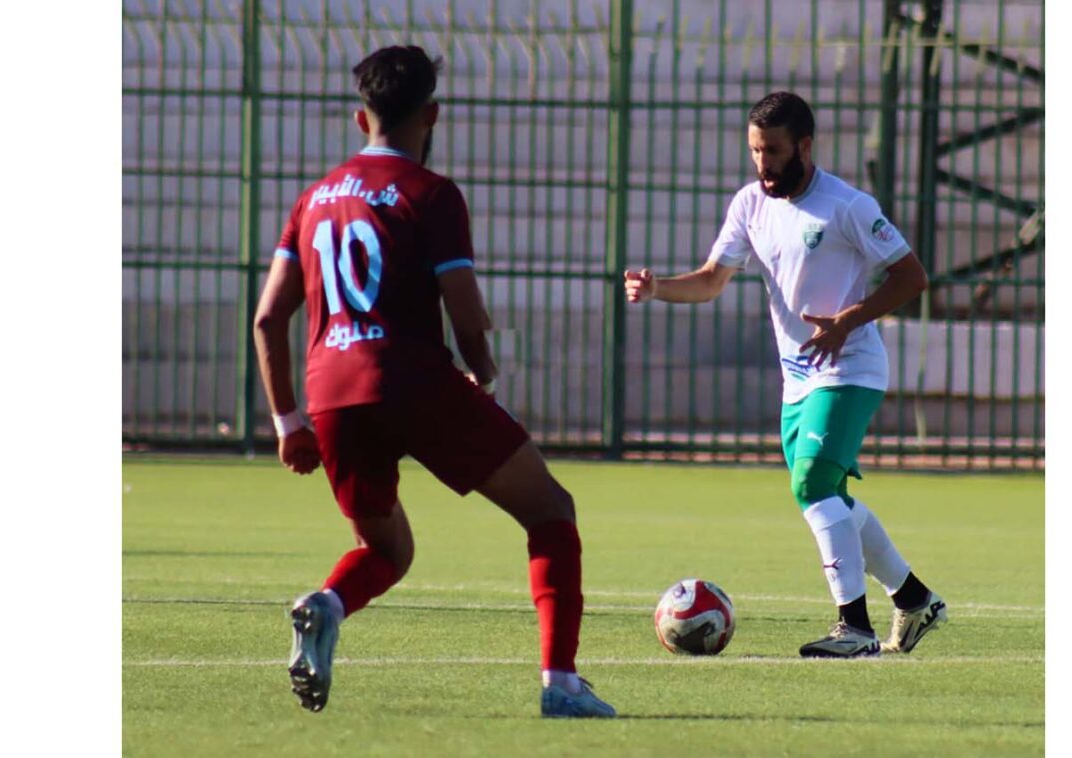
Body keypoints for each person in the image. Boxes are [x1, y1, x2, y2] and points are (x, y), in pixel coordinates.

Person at [252, 45, 616, 717]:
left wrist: (288, 422)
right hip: (413, 381)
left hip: (332, 392)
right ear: (433, 115)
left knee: (386, 549)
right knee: (549, 511)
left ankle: (327, 603)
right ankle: (561, 685)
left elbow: (268, 318)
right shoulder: (432, 193)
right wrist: (483, 375)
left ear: (361, 119)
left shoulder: (313, 199)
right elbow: (464, 305)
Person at [625, 91, 947, 658]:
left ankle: (855, 629)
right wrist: (657, 289)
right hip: (797, 379)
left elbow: (911, 276)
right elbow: (709, 280)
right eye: (754, 151)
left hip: (851, 367)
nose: (762, 163)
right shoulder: (750, 204)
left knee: (812, 486)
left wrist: (849, 320)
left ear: (804, 145)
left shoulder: (847, 205)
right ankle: (915, 599)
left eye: (772, 150)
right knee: (831, 500)